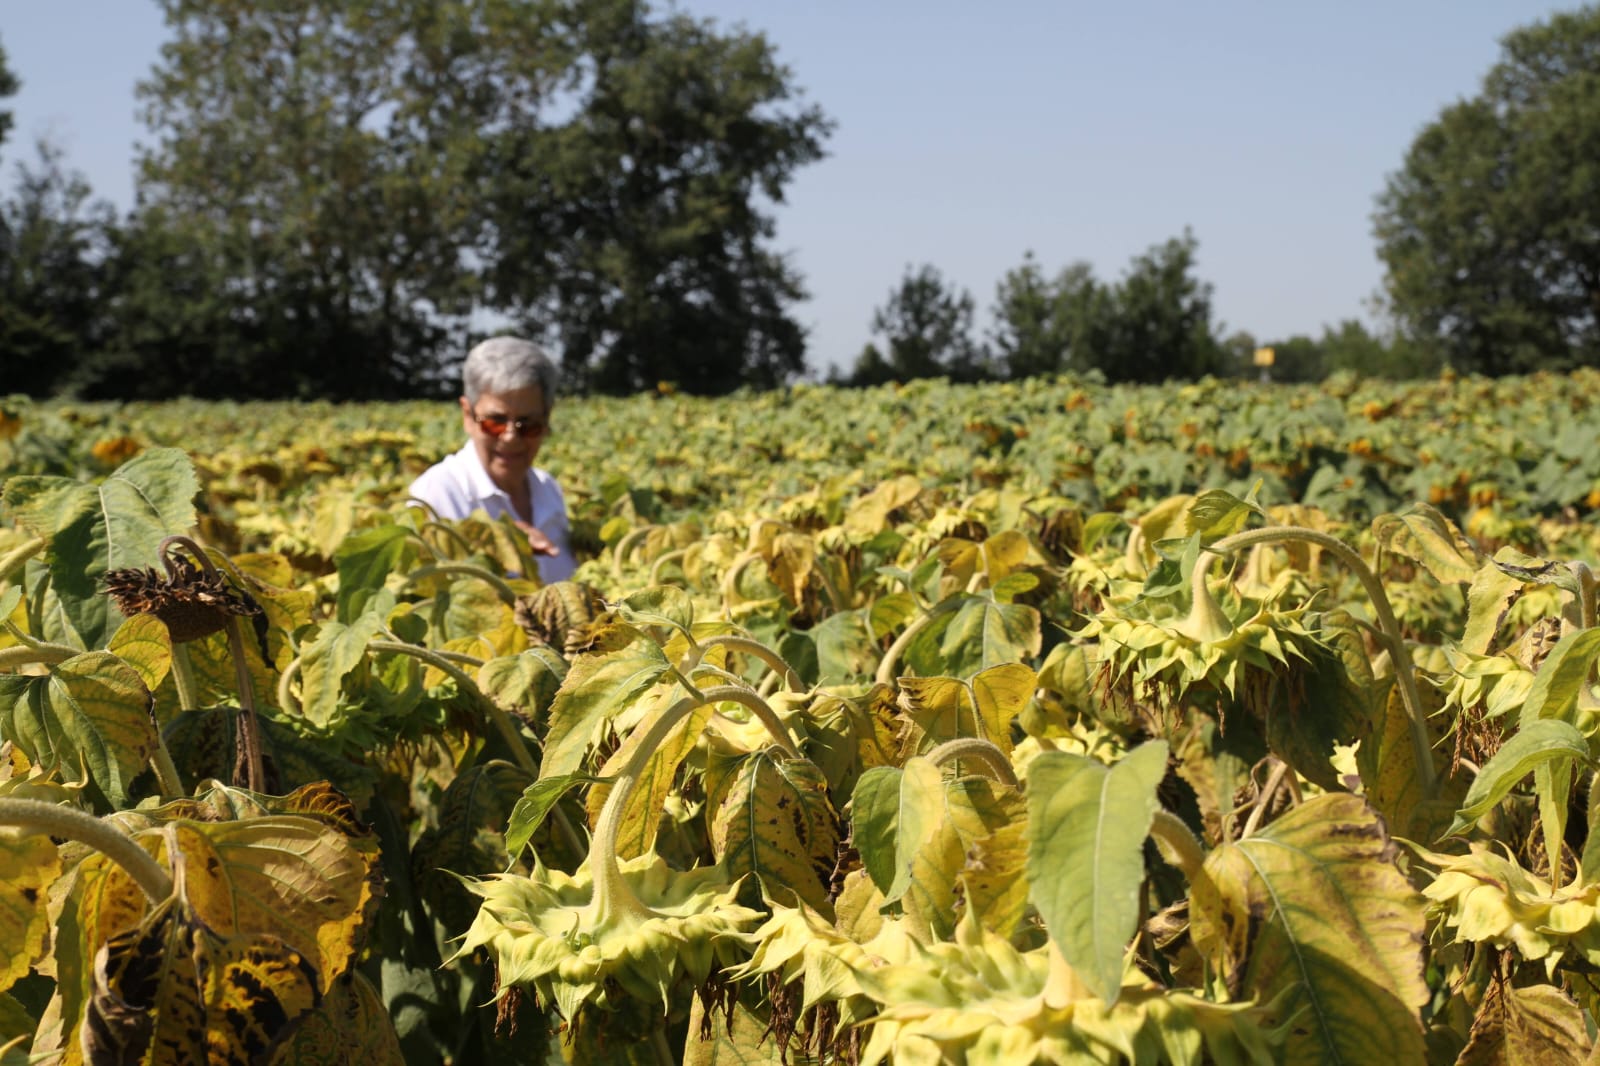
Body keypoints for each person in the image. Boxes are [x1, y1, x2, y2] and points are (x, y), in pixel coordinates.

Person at [408, 336, 577, 583]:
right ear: (468, 415)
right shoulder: (438, 494)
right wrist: (497, 545)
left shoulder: (548, 489)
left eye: (528, 424)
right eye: (495, 422)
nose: (510, 438)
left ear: (546, 418)